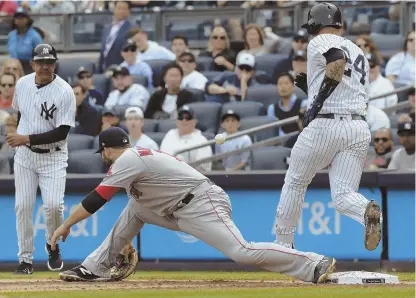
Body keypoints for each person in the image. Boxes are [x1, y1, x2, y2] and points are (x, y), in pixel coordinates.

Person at [51, 126, 336, 284]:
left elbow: (97, 198)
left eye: (102, 152)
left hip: (201, 202)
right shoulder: (134, 158)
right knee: (135, 209)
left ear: (106, 149)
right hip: (180, 208)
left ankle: (312, 263)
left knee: (241, 251)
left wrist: (66, 224)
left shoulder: (126, 159)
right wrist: (121, 241)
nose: (103, 156)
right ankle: (97, 266)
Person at [274, 3, 381, 252]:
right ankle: (366, 210)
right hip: (357, 127)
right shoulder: (358, 49)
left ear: (315, 22)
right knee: (344, 197)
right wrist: (311, 90)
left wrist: (316, 101)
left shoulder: (319, 41)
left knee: (296, 182)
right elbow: (348, 85)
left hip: (326, 124)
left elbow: (336, 61)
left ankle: (282, 246)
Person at [6, 44, 76, 274]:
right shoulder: (22, 83)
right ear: (32, 64)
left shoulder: (65, 91)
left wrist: (24, 137)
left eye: (50, 62)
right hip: (25, 156)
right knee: (22, 206)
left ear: (55, 64)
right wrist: (18, 136)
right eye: (40, 62)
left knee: (54, 206)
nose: (45, 66)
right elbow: (19, 113)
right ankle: (25, 260)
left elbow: (62, 133)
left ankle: (52, 245)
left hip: (53, 156)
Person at [160, 106, 212, 172]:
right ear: (177, 121)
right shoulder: (170, 134)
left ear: (194, 121)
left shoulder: (202, 140)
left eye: (188, 118)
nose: (184, 120)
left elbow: (204, 168)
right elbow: (162, 158)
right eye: (181, 117)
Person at [98, 0, 132, 73]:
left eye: (124, 9)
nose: (121, 11)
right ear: (114, 9)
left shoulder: (131, 29)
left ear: (128, 11)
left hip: (120, 71)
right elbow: (103, 50)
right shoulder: (107, 28)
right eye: (119, 8)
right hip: (104, 70)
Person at [7, 7, 43, 74]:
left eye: (22, 17)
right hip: (13, 68)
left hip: (30, 68)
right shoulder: (11, 35)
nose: (19, 20)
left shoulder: (35, 36)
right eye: (17, 17)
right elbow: (11, 54)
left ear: (28, 20)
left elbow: (41, 57)